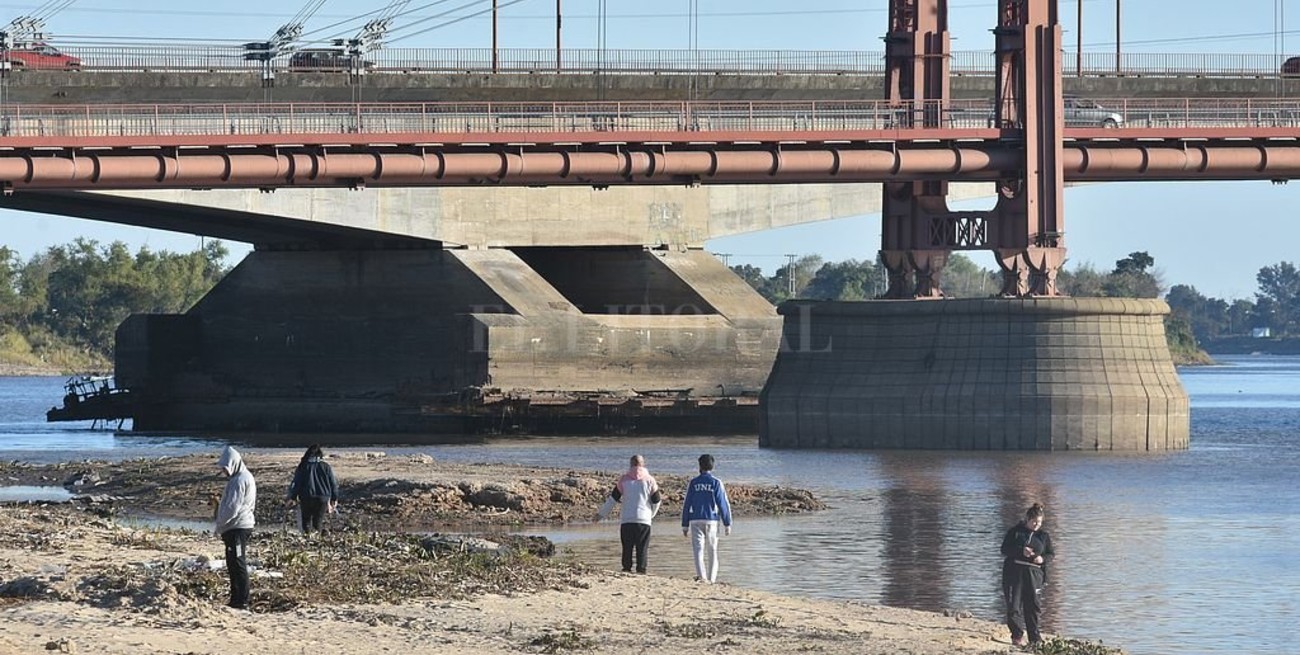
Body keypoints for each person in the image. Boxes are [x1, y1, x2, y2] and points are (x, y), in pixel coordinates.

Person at [594, 454, 662, 574]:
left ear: (631, 464)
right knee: (642, 548)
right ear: (643, 464)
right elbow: (656, 501)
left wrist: (600, 514)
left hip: (627, 520)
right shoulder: (650, 480)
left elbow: (612, 500)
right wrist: (651, 515)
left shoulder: (624, 479)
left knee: (627, 547)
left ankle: (626, 569)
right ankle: (641, 570)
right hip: (643, 520)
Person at [1000, 502, 1055, 647]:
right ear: (1027, 519)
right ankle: (1017, 635)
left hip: (1034, 573)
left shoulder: (1044, 536)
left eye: (1039, 522)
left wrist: (1042, 559)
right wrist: (1021, 551)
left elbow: (1050, 554)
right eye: (1034, 522)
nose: (1036, 525)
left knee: (1033, 606)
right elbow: (1004, 549)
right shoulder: (1015, 532)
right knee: (1014, 605)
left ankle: (1034, 638)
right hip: (1014, 572)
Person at [215, 445, 257, 610]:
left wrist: (220, 524)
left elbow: (232, 507)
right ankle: (235, 598)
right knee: (232, 563)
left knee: (238, 562)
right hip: (233, 526)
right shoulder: (237, 479)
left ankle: (242, 600)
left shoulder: (241, 480)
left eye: (225, 467)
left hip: (238, 527)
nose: (224, 471)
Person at [680, 453, 733, 584]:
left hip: (695, 519)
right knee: (712, 550)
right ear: (712, 466)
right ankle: (711, 579)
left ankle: (702, 577)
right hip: (712, 519)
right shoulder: (716, 482)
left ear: (700, 466)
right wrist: (727, 523)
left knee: (698, 550)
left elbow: (687, 503)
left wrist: (684, 524)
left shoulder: (693, 483)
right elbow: (722, 503)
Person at [287, 444, 339, 533]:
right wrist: (334, 498)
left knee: (306, 521)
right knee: (318, 521)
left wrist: (292, 496)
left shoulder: (303, 466)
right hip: (322, 498)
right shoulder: (326, 466)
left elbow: (296, 482)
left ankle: (307, 538)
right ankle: (316, 538)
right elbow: (333, 483)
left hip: (306, 497)